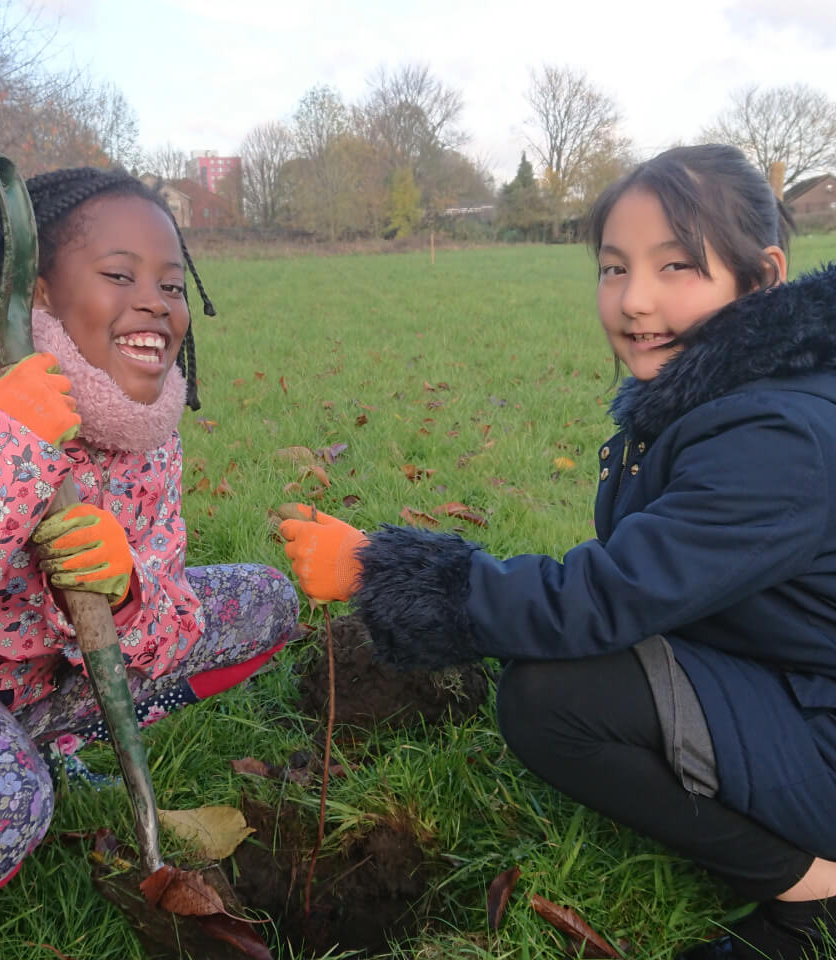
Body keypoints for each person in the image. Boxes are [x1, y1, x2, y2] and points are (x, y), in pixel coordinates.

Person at [279, 144, 836, 960]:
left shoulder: (777, 434)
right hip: (787, 671)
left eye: (676, 266)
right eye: (614, 268)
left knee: (551, 700)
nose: (635, 301)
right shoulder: (728, 395)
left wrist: (381, 571)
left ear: (762, 276)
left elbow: (606, 597)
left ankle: (810, 892)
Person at [0, 167, 298, 958]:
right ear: (34, 294)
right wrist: (6, 451)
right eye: (119, 276)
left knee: (266, 604)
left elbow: (168, 633)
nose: (156, 302)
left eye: (172, 284)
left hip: (31, 694)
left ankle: (42, 752)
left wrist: (130, 590)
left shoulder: (145, 436)